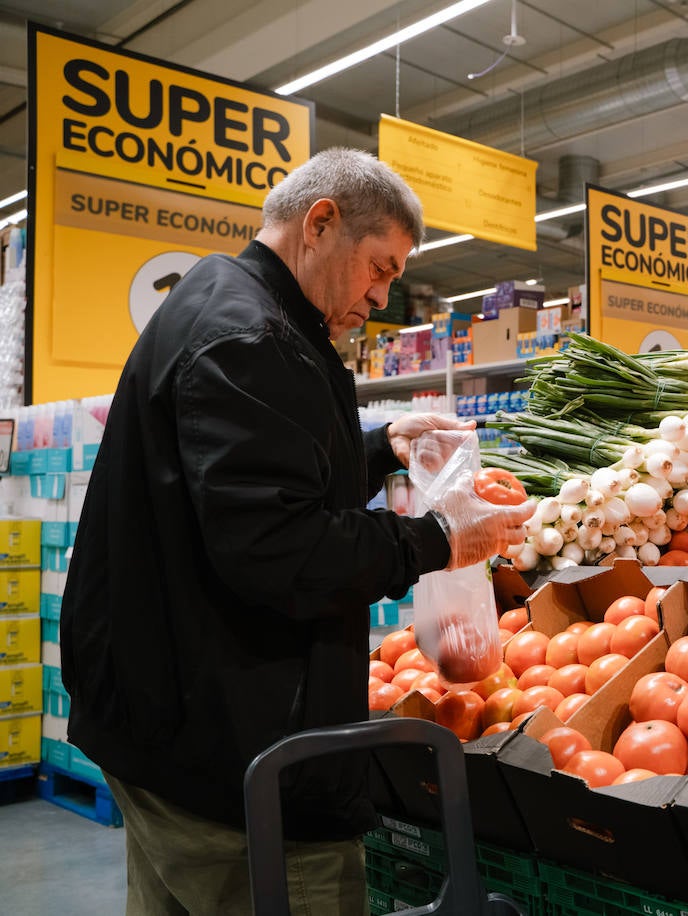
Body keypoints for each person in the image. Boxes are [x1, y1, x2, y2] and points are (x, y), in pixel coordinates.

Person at [60, 148, 534, 915]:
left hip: (164, 723)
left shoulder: (224, 299)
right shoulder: (252, 337)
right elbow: (281, 552)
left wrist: (382, 447)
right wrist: (440, 538)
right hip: (235, 755)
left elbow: (258, 477)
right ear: (321, 224)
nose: (382, 296)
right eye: (380, 267)